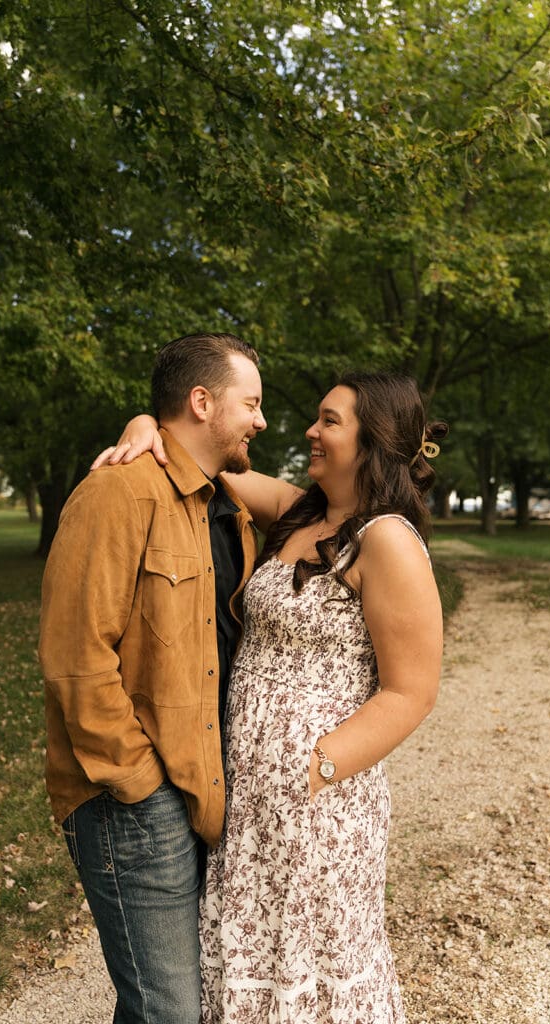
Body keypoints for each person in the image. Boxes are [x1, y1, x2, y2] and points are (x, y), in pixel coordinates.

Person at [95, 370, 448, 1023]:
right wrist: (143, 427)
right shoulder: (299, 511)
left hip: (316, 810)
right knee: (248, 957)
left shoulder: (386, 539)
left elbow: (410, 692)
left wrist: (314, 769)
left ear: (373, 440)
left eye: (329, 421)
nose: (309, 432)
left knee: (310, 964)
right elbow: (202, 464)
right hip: (247, 798)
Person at [39, 332, 267, 1024]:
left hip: (201, 790)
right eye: (250, 403)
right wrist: (142, 787)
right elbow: (75, 657)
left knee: (165, 1002)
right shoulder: (116, 494)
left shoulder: (225, 505)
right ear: (201, 402)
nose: (261, 420)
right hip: (135, 801)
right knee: (166, 1007)